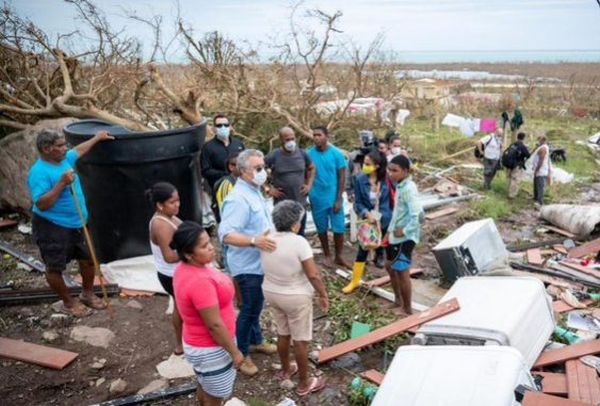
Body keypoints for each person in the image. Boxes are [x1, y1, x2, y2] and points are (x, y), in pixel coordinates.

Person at [28, 129, 114, 317]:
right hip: (53, 226)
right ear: (46, 148)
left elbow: (79, 150)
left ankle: (87, 294)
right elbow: (42, 204)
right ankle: (68, 303)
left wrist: (97, 137)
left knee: (88, 260)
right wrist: (61, 183)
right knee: (54, 267)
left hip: (78, 223)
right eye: (60, 146)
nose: (65, 148)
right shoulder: (39, 172)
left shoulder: (64, 159)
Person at [218, 149, 278, 376]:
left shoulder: (255, 191)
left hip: (258, 262)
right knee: (250, 310)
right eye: (258, 169)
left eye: (264, 167)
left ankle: (256, 340)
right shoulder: (237, 199)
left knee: (256, 306)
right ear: (243, 172)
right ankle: (241, 353)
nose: (263, 172)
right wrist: (255, 241)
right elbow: (226, 235)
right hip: (246, 266)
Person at [260, 200, 328, 397]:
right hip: (295, 296)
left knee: (283, 333)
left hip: (272, 293)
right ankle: (304, 383)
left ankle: (286, 369)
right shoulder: (299, 242)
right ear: (295, 224)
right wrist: (323, 294)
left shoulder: (266, 237)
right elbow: (313, 275)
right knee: (300, 341)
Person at [172, 221, 243, 406]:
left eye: (209, 242)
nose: (211, 247)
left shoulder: (184, 269)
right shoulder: (199, 281)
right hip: (211, 349)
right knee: (215, 396)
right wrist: (235, 352)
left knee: (206, 384)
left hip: (198, 344)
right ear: (188, 254)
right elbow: (214, 325)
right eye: (204, 246)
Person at [343, 151, 393, 293]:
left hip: (384, 220)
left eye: (368, 164)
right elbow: (357, 203)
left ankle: (394, 279)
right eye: (364, 163)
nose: (364, 166)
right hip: (368, 221)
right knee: (362, 250)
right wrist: (366, 213)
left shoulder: (387, 181)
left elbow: (391, 202)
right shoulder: (360, 180)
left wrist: (378, 215)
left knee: (389, 249)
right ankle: (355, 281)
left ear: (377, 166)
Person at [147, 182, 184, 355]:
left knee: (184, 306)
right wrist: (191, 253)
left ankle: (185, 341)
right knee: (181, 307)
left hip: (175, 272)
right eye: (172, 202)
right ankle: (180, 344)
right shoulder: (161, 225)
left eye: (178, 200)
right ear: (160, 205)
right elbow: (169, 257)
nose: (177, 205)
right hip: (172, 274)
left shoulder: (169, 217)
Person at [307, 126, 351, 269]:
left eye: (319, 135)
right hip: (317, 198)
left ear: (326, 136)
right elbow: (305, 174)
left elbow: (342, 177)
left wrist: (339, 198)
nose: (316, 138)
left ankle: (339, 255)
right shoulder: (309, 155)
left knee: (339, 227)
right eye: (314, 135)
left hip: (333, 197)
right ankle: (327, 254)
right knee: (321, 227)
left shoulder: (336, 154)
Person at [385, 155, 423, 316]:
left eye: (395, 171)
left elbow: (419, 215)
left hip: (404, 238)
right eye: (389, 170)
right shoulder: (401, 185)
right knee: (389, 266)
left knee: (402, 271)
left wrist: (405, 231)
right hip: (395, 235)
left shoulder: (408, 189)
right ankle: (397, 300)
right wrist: (388, 233)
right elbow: (398, 213)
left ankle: (407, 309)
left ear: (405, 171)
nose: (391, 173)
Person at [266, 126, 315, 236]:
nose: (291, 142)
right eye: (287, 139)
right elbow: (258, 168)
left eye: (292, 139)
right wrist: (268, 188)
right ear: (281, 140)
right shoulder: (274, 155)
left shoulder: (302, 154)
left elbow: (311, 168)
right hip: (282, 205)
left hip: (300, 203)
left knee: (300, 234)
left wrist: (309, 185)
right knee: (284, 235)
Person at [201, 114, 245, 190]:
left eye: (226, 125)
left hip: (241, 186)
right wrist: (227, 174)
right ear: (214, 129)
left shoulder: (238, 144)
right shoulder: (207, 147)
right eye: (219, 125)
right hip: (220, 188)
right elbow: (205, 171)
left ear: (230, 127)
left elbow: (246, 163)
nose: (223, 127)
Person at [505, 132, 531, 199]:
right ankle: (512, 195)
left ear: (517, 137)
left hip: (509, 164)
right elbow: (528, 155)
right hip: (517, 165)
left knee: (509, 178)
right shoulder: (522, 146)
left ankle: (508, 192)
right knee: (515, 180)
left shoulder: (513, 144)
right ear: (523, 138)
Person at [531, 134, 552, 207]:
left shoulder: (543, 148)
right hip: (539, 169)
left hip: (541, 170)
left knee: (540, 186)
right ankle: (536, 198)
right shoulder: (541, 147)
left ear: (543, 140)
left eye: (539, 140)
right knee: (536, 184)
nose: (538, 141)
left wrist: (537, 169)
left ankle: (540, 201)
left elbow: (541, 160)